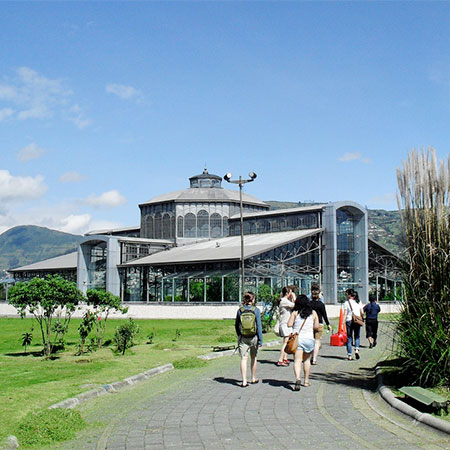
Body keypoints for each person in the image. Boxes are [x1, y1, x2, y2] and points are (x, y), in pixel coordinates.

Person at [287, 294, 320, 391]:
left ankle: (298, 378)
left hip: (298, 339)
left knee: (297, 360)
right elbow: (317, 327)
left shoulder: (295, 313)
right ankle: (306, 381)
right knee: (306, 360)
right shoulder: (313, 313)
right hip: (309, 339)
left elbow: (289, 324)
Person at [235, 291, 263, 387]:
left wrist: (239, 335)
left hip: (243, 337)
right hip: (253, 337)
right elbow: (259, 326)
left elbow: (236, 325)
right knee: (253, 357)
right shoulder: (256, 310)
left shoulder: (240, 310)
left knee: (243, 358)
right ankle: (253, 377)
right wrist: (260, 340)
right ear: (253, 300)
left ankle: (244, 381)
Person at [310, 286, 332, 365]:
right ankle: (314, 359)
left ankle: (311, 356)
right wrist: (328, 324)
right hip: (319, 323)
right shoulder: (321, 304)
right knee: (317, 341)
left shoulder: (309, 304)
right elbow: (324, 315)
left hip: (310, 324)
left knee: (312, 341)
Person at [276, 286, 296, 367]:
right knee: (285, 342)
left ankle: (285, 358)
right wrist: (294, 297)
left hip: (285, 323)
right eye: (290, 292)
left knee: (287, 341)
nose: (291, 294)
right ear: (287, 293)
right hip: (285, 324)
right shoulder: (284, 301)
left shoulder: (285, 301)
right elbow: (295, 305)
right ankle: (280, 359)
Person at [343, 288, 365, 360]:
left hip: (349, 320)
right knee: (357, 336)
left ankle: (349, 355)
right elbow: (362, 312)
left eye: (346, 294)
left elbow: (345, 314)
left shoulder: (347, 303)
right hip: (357, 321)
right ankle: (356, 350)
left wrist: (342, 323)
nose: (346, 295)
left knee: (349, 337)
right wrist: (361, 317)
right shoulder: (358, 301)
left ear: (349, 295)